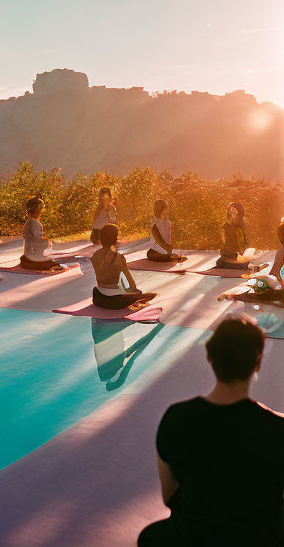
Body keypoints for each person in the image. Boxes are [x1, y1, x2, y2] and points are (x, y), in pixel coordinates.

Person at [138, 314, 284, 547]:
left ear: (210, 357)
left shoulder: (177, 418)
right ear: (258, 363)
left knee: (149, 537)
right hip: (262, 538)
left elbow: (169, 498)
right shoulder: (278, 427)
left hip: (196, 537)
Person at [90, 224, 156, 310]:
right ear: (115, 239)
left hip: (97, 298)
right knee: (151, 295)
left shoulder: (95, 255)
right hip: (114, 301)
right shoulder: (119, 257)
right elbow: (131, 284)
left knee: (122, 291)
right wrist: (136, 293)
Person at [220, 219, 284, 306]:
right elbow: (274, 273)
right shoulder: (281, 251)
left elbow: (274, 274)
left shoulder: (281, 251)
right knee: (267, 280)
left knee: (267, 282)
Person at [19, 197, 62, 272]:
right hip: (33, 258)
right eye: (42, 208)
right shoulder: (35, 223)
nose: (43, 210)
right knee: (57, 265)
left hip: (27, 256)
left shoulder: (28, 223)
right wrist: (48, 242)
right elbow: (37, 241)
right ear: (38, 210)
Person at [216, 202, 260, 270]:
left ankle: (248, 266)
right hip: (230, 258)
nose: (240, 218)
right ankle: (248, 266)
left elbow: (245, 244)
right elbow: (227, 247)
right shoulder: (226, 228)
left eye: (241, 216)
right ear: (231, 215)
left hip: (239, 257)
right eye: (238, 216)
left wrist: (244, 254)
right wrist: (237, 255)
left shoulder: (240, 227)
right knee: (221, 262)